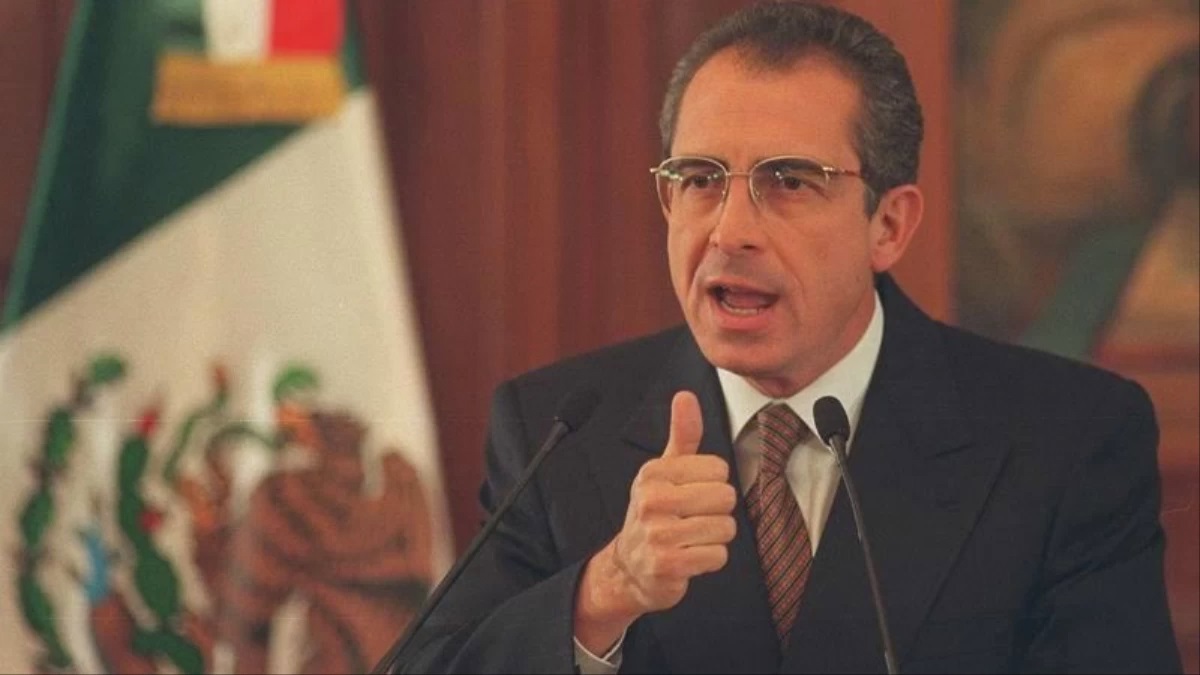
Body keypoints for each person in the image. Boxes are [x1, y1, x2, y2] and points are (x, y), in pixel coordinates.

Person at [392, 2, 1182, 672]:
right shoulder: (559, 432)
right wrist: (605, 592)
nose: (730, 230)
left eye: (790, 181)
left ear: (889, 224)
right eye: (700, 179)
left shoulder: (1066, 438)